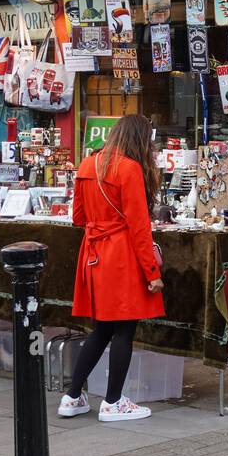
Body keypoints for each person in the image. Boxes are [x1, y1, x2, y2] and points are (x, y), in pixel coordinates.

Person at [58, 114, 165, 422]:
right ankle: (113, 401)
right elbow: (139, 227)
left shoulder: (88, 164)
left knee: (102, 327)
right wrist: (152, 274)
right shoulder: (130, 168)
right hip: (121, 255)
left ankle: (72, 395)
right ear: (140, 140)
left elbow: (78, 217)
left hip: (93, 252)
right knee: (124, 328)